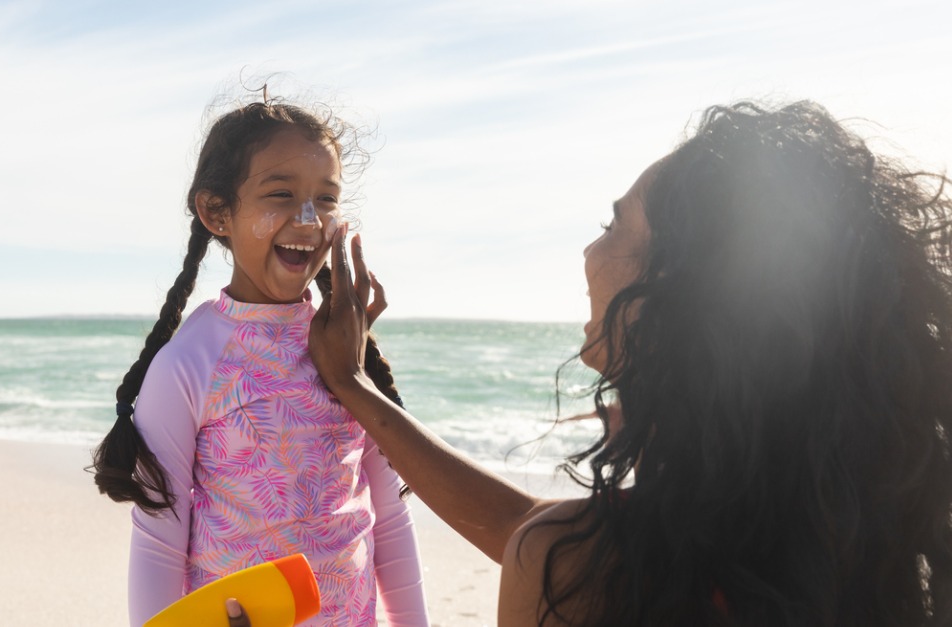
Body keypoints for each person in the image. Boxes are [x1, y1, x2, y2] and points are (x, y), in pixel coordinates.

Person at [303, 101, 952, 626]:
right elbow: (523, 526)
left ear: (675, 290)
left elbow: (549, 545)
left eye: (615, 226)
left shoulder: (589, 566)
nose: (590, 248)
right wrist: (356, 388)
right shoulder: (856, 533)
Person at [90, 98, 429, 626]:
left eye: (326, 198)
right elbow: (159, 544)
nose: (309, 219)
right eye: (281, 195)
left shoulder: (345, 345)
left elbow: (388, 519)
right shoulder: (191, 361)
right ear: (217, 212)